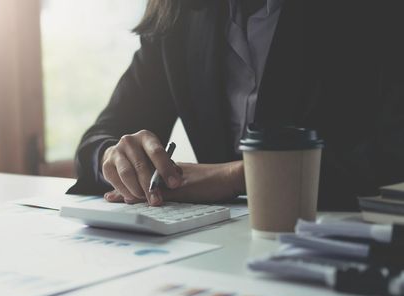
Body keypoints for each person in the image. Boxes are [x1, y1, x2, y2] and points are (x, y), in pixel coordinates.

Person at [68, 0, 404, 211]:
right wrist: (114, 158)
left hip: (348, 240)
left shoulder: (376, 13)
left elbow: (391, 155)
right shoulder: (179, 15)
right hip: (221, 246)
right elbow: (99, 141)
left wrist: (239, 176)